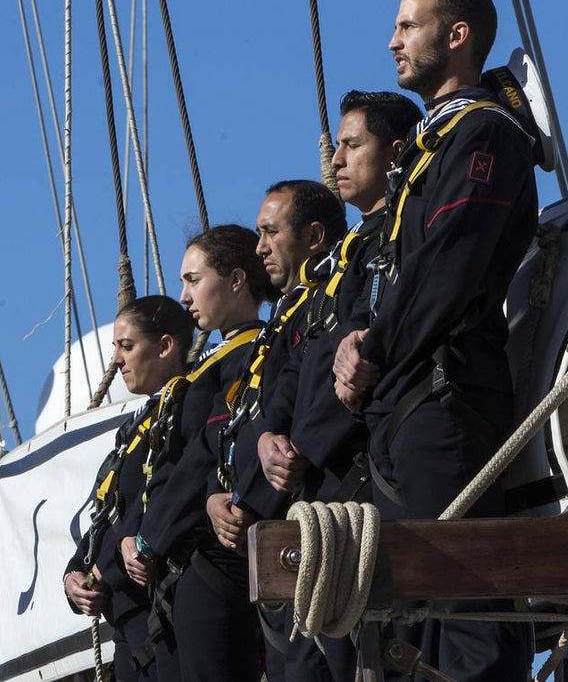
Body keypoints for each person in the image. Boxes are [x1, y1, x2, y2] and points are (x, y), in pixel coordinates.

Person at [334, 0, 540, 681]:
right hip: (402, 401)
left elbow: (449, 265)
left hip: (444, 397)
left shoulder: (483, 133)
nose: (392, 41)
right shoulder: (431, 146)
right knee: (412, 624)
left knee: (466, 615)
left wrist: (376, 346)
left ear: (456, 37)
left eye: (407, 26)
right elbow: (396, 265)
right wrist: (355, 340)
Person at [243, 96, 420, 682]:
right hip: (310, 495)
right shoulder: (326, 284)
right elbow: (294, 378)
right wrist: (268, 435)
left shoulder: (399, 232)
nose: (336, 161)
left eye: (351, 147)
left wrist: (362, 340)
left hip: (357, 476)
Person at [202, 180, 347, 681]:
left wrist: (266, 474)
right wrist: (220, 496)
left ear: (312, 236)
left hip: (320, 515)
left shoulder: (334, 296)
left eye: (269, 232)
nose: (260, 245)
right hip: (278, 533)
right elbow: (250, 419)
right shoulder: (285, 317)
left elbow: (316, 395)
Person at [131, 224, 277, 682]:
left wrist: (147, 538)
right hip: (179, 562)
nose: (184, 295)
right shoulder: (213, 361)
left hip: (207, 556)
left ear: (235, 280)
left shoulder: (247, 353)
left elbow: (202, 453)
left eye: (194, 280)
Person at [63, 295, 195, 681]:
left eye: (127, 346)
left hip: (159, 615)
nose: (117, 360)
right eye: (115, 348)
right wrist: (75, 573)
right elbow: (109, 513)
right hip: (127, 624)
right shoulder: (135, 428)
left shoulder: (187, 405)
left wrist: (109, 564)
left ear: (165, 346)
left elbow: (161, 494)